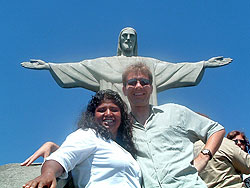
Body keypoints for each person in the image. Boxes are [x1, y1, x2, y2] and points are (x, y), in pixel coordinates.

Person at [23, 63, 225, 188]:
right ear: (124, 89)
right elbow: (82, 150)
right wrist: (53, 150)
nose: (139, 86)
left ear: (151, 87)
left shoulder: (173, 113)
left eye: (144, 82)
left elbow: (216, 129)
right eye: (132, 83)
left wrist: (203, 158)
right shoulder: (110, 133)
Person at [21, 27, 233, 107]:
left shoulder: (148, 64)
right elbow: (79, 68)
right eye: (125, 36)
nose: (128, 39)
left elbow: (175, 69)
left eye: (132, 37)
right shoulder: (103, 63)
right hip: (113, 116)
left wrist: (203, 64)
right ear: (119, 40)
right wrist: (49, 66)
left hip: (143, 114)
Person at [22, 89, 141, 188]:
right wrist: (48, 174)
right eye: (101, 110)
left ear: (122, 116)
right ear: (93, 116)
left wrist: (54, 146)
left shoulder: (125, 151)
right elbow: (64, 156)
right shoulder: (90, 134)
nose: (108, 113)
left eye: (114, 109)